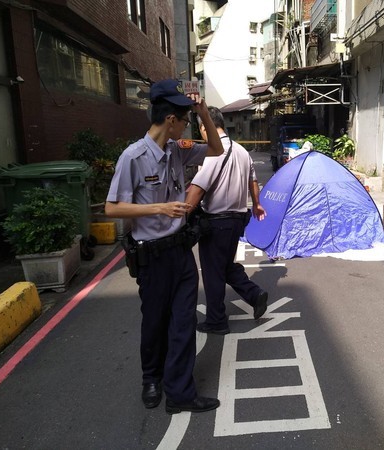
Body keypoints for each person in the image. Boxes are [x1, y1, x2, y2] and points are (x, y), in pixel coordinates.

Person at [104, 79, 223, 415]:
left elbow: (216, 149)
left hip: (181, 253)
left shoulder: (178, 148)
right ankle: (151, 378)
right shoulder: (133, 158)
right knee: (155, 322)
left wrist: (202, 114)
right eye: (185, 118)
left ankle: (180, 393)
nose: (187, 124)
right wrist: (158, 208)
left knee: (183, 323)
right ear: (170, 119)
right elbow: (112, 207)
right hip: (152, 257)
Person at [185, 106, 268, 335]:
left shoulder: (214, 151)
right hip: (238, 219)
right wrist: (257, 203)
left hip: (216, 221)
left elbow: (198, 186)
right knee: (224, 265)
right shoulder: (242, 151)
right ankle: (254, 294)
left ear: (205, 128)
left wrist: (182, 214)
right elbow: (253, 180)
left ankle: (216, 321)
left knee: (213, 272)